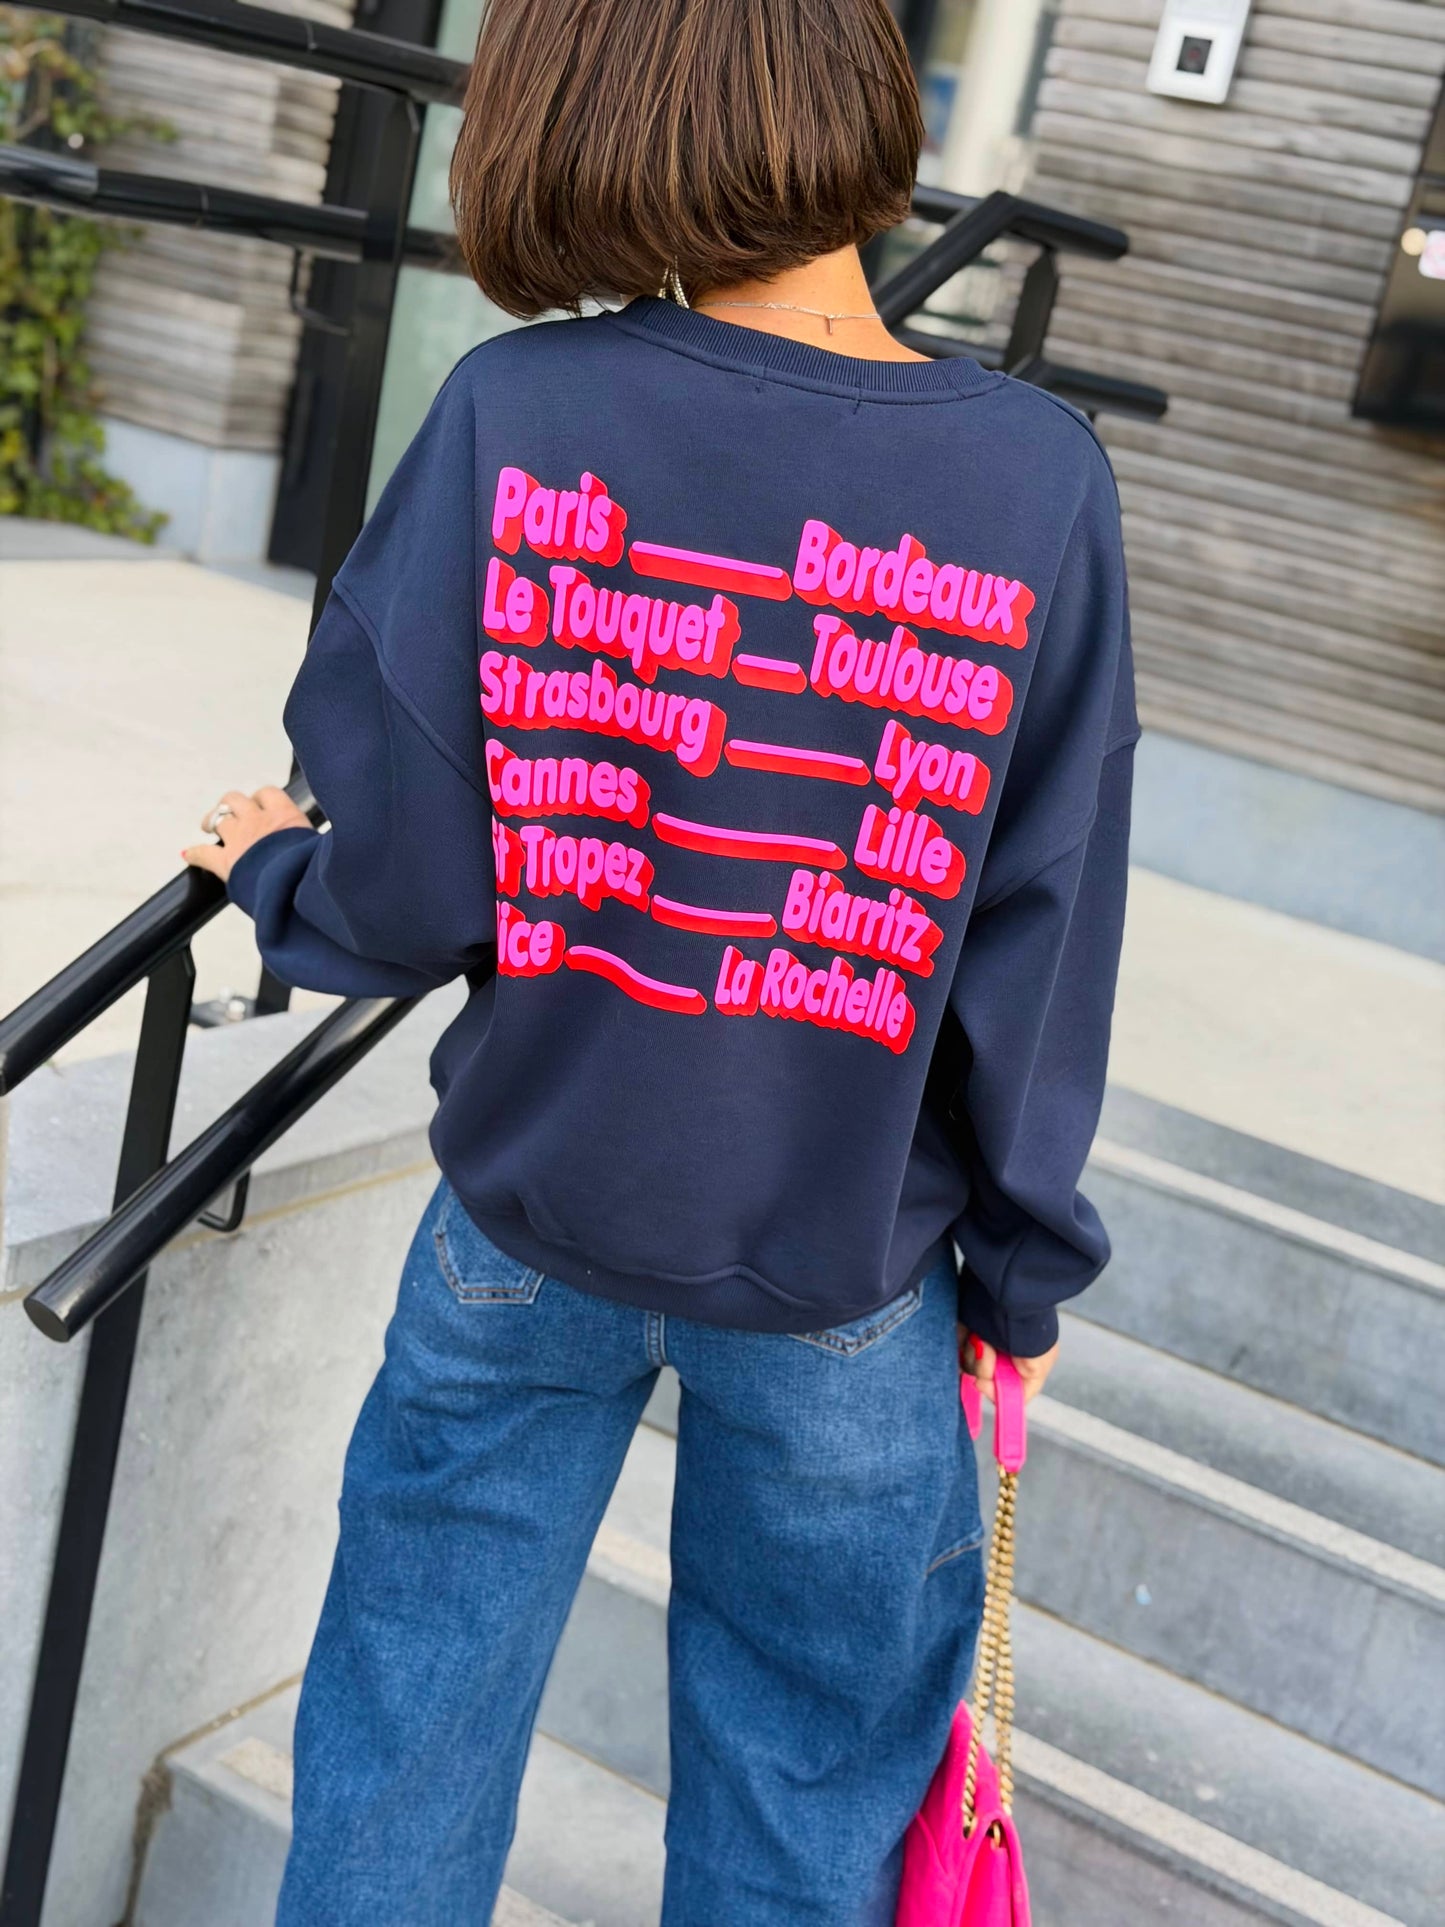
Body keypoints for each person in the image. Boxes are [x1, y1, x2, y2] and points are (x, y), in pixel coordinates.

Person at [184, 2, 1136, 1920]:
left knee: (403, 1729)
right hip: (846, 1267)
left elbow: (412, 879)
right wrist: (1020, 1269)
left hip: (525, 1221)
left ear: (587, 113)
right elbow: (1040, 931)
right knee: (798, 1803)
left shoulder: (517, 414)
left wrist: (283, 875)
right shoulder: (1034, 479)